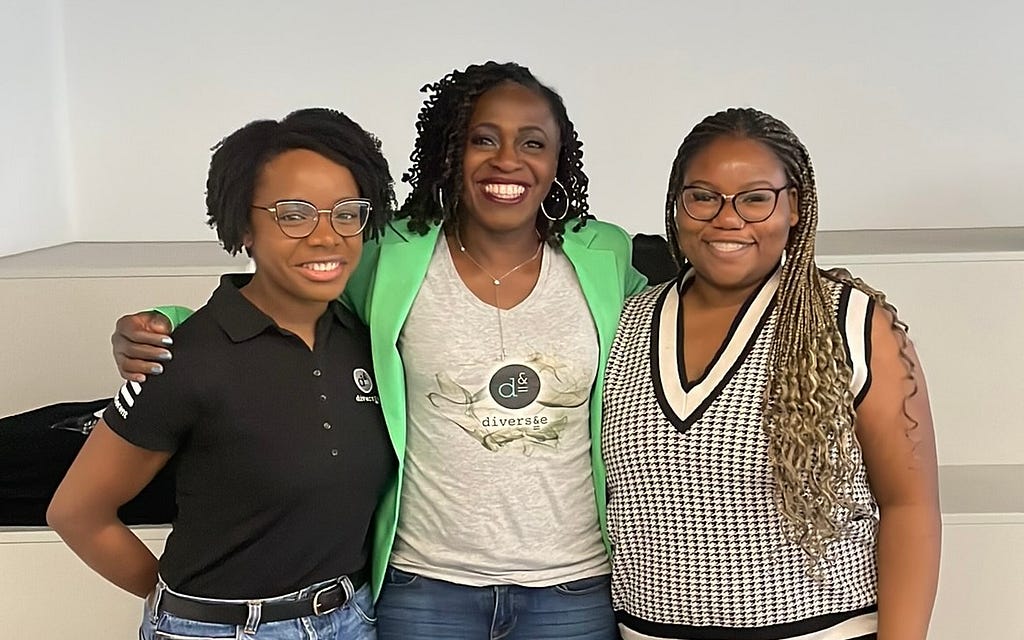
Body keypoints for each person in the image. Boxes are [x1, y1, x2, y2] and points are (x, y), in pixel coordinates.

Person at [112, 62, 646, 639]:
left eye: (533, 142)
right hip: (425, 584)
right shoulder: (389, 255)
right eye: (482, 139)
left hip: (573, 584)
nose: (507, 160)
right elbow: (287, 306)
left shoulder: (603, 256)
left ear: (559, 158)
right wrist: (171, 326)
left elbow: (666, 321)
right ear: (450, 150)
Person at [48, 108, 397, 639]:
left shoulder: (366, 340)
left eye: (346, 213)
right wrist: (188, 615)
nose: (327, 236)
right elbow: (77, 513)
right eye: (294, 214)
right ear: (242, 224)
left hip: (353, 619)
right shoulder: (184, 358)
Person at [601, 107, 941, 640]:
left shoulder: (851, 323)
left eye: (756, 198)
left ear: (795, 208)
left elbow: (909, 506)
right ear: (677, 204)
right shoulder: (625, 322)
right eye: (703, 195)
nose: (727, 218)